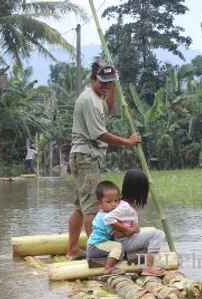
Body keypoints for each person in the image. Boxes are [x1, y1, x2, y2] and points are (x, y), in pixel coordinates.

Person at [66, 59, 142, 260]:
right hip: (86, 157)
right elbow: (100, 133)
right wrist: (127, 141)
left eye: (109, 82)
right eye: (103, 82)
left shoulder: (98, 97)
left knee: (80, 207)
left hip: (86, 157)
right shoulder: (88, 100)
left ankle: (73, 248)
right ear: (92, 79)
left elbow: (108, 108)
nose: (106, 86)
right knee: (92, 206)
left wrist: (113, 85)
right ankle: (96, 253)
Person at [103, 169, 167, 276]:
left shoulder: (125, 204)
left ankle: (145, 262)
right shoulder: (125, 207)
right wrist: (127, 230)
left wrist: (134, 228)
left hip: (123, 241)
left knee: (151, 238)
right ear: (140, 190)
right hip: (123, 242)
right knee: (158, 234)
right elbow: (108, 219)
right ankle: (149, 268)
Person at [87, 181, 126, 276]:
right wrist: (129, 232)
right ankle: (108, 268)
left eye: (116, 201)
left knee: (119, 245)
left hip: (96, 245)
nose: (113, 205)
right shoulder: (106, 217)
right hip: (96, 246)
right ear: (99, 203)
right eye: (108, 202)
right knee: (118, 246)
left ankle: (109, 260)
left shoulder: (107, 215)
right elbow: (117, 234)